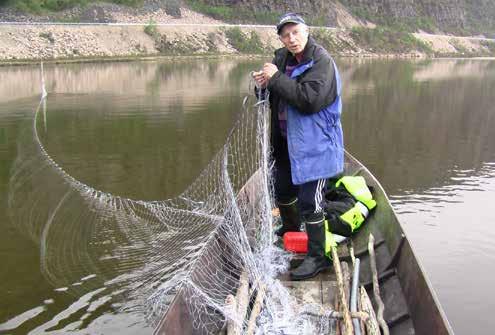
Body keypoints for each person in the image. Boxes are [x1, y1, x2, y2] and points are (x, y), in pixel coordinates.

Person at [253, 13, 344, 280]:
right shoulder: (281, 57)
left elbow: (308, 100)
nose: (291, 39)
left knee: (310, 201)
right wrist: (262, 86)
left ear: (306, 31)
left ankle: (318, 257)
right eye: (285, 35)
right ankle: (291, 229)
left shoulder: (322, 62)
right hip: (285, 141)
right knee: (281, 189)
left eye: (295, 32)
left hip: (316, 145)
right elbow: (273, 92)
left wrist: (276, 78)